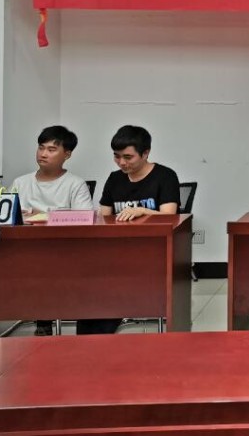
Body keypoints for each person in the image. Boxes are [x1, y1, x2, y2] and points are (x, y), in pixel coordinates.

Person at [77, 124, 180, 336]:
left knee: (111, 285)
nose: (122, 162)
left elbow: (170, 216)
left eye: (128, 157)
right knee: (92, 282)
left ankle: (100, 334)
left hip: (153, 252)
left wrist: (143, 211)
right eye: (117, 156)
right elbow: (104, 216)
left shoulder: (165, 176)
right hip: (116, 252)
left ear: (146, 153)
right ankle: (90, 341)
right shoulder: (115, 179)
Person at [11, 125, 93, 336]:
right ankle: (42, 317)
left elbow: (85, 219)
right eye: (41, 147)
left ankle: (45, 318)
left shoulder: (76, 184)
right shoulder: (20, 182)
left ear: (67, 154)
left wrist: (43, 215)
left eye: (51, 149)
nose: (43, 154)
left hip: (62, 250)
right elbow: (6, 217)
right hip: (23, 250)